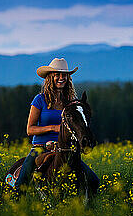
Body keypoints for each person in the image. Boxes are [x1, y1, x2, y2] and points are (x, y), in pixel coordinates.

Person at [11, 58, 99, 192]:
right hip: (40, 148)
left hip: (66, 149)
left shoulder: (71, 103)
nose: (61, 78)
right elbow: (30, 129)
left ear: (68, 78)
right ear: (50, 77)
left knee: (93, 180)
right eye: (57, 74)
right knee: (21, 183)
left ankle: (88, 211)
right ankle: (16, 205)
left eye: (64, 75)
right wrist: (53, 128)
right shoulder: (39, 100)